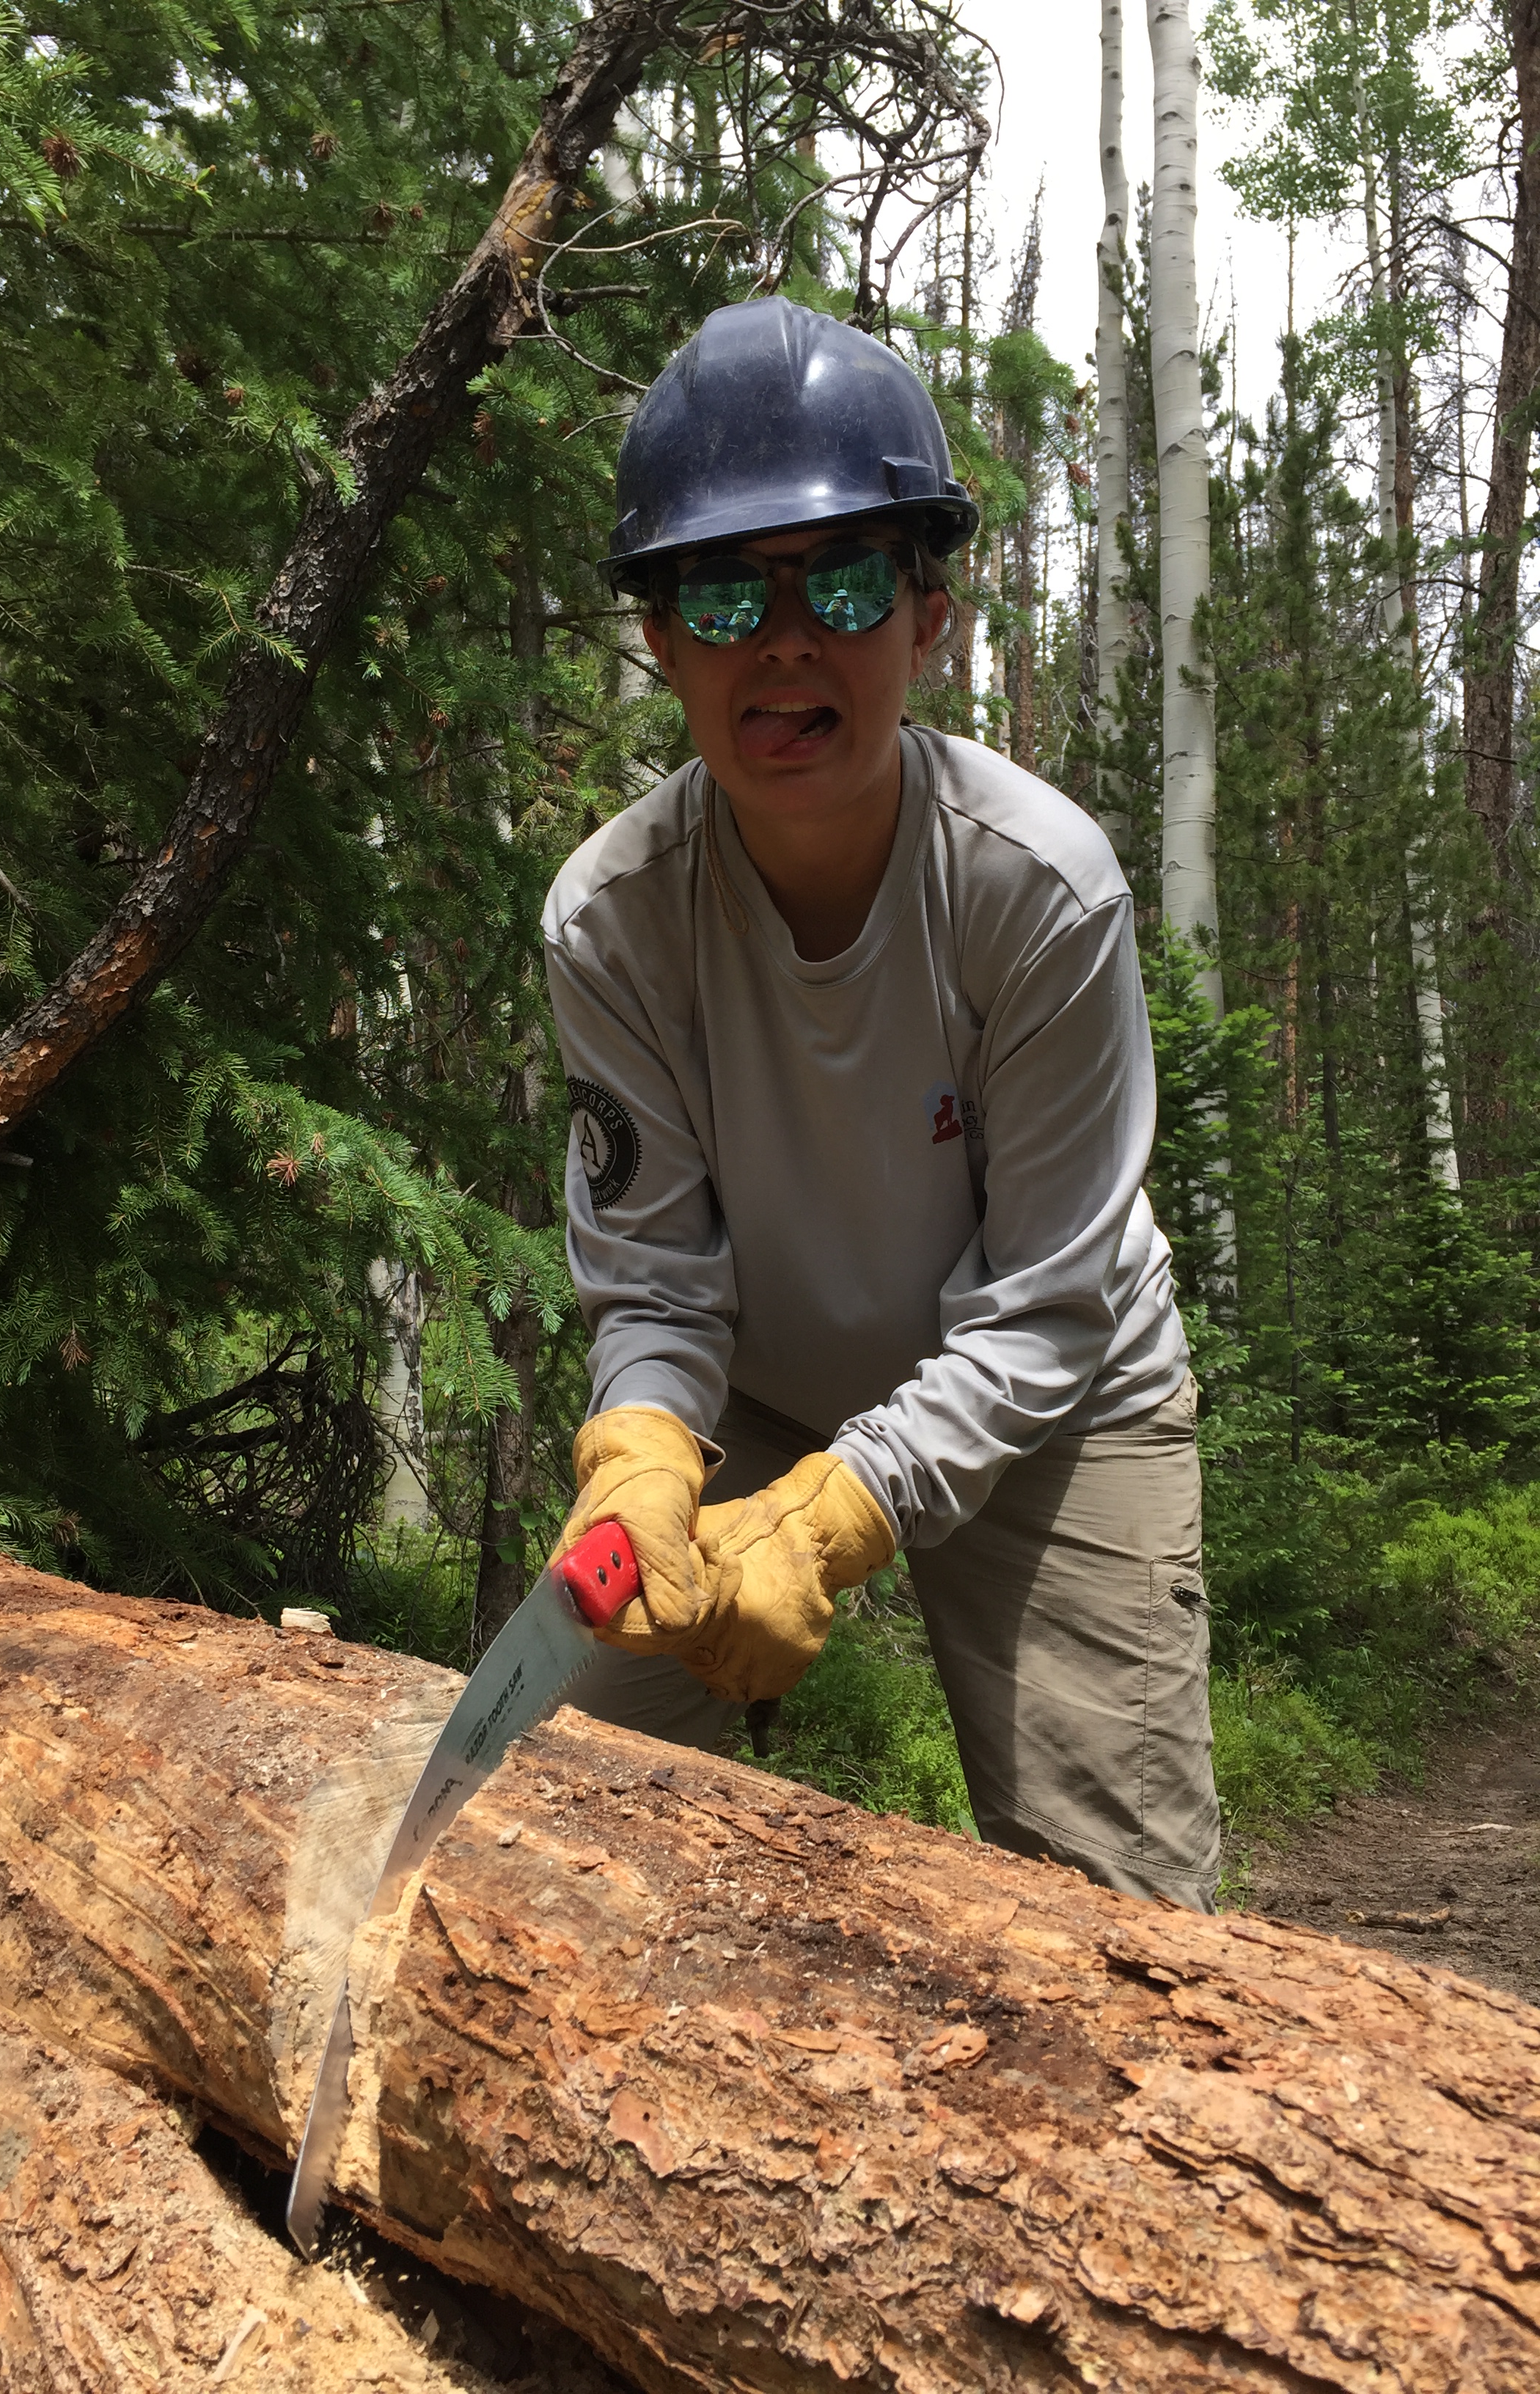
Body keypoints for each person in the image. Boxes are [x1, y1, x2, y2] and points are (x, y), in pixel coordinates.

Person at [542, 296, 1218, 1911]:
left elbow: (1046, 1308)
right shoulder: (613, 916)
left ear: (926, 619)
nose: (784, 640)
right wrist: (641, 1454)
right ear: (660, 638)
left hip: (1063, 1395)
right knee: (572, 1842)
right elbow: (654, 1281)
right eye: (722, 590)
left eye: (840, 579)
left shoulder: (1039, 892)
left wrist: (841, 1516)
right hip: (754, 1391)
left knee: (1121, 1923)